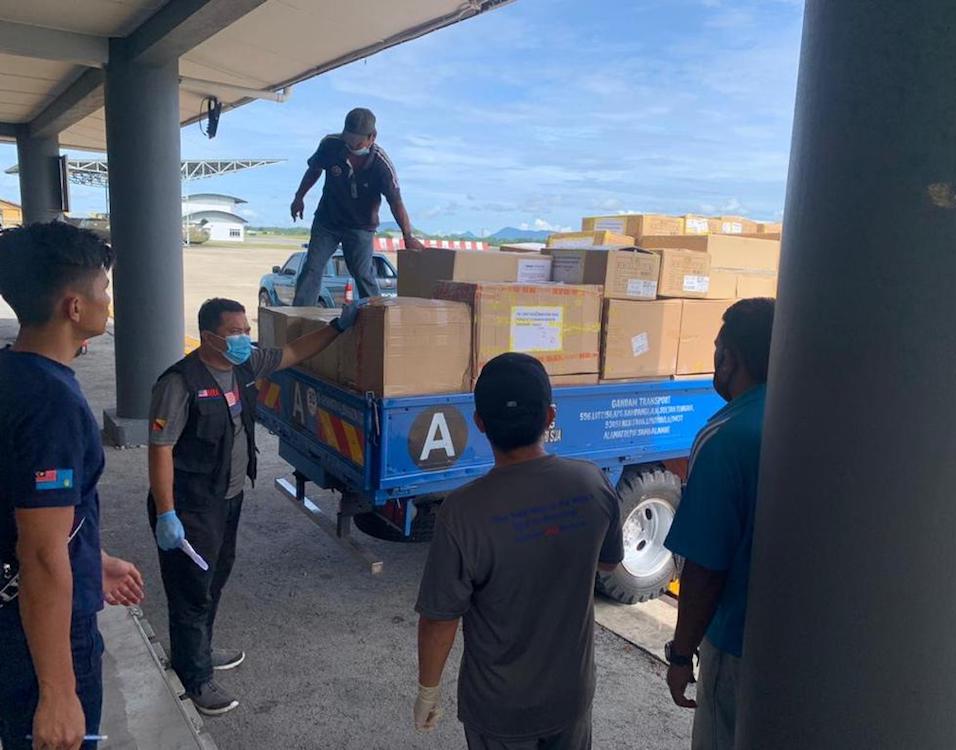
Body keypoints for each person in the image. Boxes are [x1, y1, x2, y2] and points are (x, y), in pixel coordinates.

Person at [147, 296, 363, 715]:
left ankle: (200, 651)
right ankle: (195, 679)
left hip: (228, 498)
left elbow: (297, 351)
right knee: (191, 591)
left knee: (214, 578)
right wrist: (165, 511)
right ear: (210, 336)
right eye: (235, 331)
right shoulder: (180, 383)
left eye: (247, 329)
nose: (245, 337)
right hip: (190, 507)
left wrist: (338, 326)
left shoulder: (245, 365)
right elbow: (159, 449)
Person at [413, 353, 625, 750]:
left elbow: (439, 619)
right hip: (570, 698)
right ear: (550, 417)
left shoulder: (462, 512)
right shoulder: (592, 483)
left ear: (479, 423)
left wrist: (429, 690)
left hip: (498, 710)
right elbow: (610, 563)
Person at [0, 222, 145, 750]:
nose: (108, 300)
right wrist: (58, 692)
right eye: (102, 290)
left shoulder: (12, 372)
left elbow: (30, 511)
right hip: (40, 639)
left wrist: (92, 558)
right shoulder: (53, 405)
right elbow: (39, 553)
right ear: (74, 307)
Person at [662, 298, 775, 750]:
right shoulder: (811, 416)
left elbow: (705, 569)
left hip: (736, 642)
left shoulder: (727, 437)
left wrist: (680, 653)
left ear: (730, 357)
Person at [290, 107, 423, 305]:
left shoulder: (381, 165)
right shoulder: (330, 145)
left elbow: (395, 202)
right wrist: (299, 197)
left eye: (358, 143)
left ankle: (376, 316)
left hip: (360, 226)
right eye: (348, 141)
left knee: (362, 273)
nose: (352, 147)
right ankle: (298, 318)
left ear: (373, 137)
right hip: (328, 221)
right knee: (312, 267)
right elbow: (314, 170)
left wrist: (408, 236)